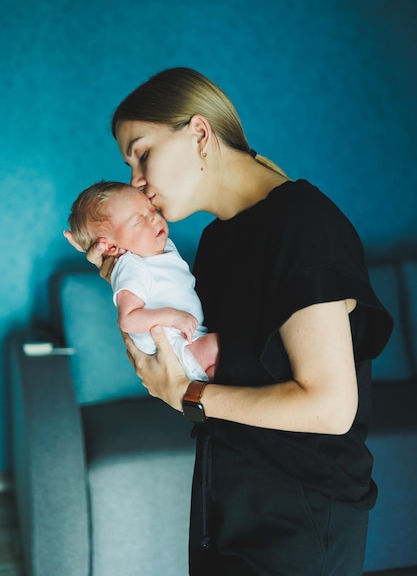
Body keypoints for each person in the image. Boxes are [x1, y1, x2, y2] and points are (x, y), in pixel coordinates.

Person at [64, 67, 393, 576]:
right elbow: (213, 363)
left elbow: (330, 409)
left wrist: (185, 397)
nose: (137, 183)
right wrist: (123, 272)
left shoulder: (303, 226)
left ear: (198, 133)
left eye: (142, 153)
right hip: (226, 499)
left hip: (297, 523)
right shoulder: (218, 241)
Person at [67, 181, 219, 381]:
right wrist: (173, 317)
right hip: (177, 349)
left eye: (152, 210)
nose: (155, 219)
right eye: (139, 221)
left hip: (191, 339)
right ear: (111, 247)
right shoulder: (131, 266)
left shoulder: (159, 247)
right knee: (228, 347)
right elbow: (128, 319)